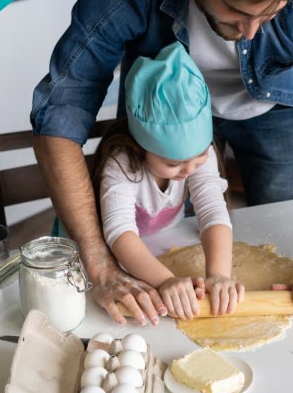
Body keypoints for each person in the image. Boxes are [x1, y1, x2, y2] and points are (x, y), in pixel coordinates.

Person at [30, 0, 293, 325]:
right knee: (160, 249)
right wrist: (102, 269)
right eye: (237, 11)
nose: (251, 31)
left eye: (269, 15)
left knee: (284, 235)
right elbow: (60, 113)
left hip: (276, 107)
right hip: (162, 109)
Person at [92, 42, 243, 320]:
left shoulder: (201, 154)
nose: (188, 170)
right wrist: (165, 281)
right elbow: (120, 233)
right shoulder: (122, 163)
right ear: (141, 145)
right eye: (172, 164)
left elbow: (212, 211)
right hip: (107, 255)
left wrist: (219, 275)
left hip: (163, 240)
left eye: (198, 157)